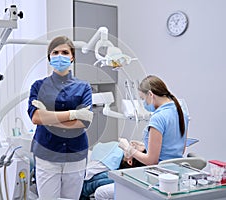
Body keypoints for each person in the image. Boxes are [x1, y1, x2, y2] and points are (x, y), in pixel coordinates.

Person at [94, 75, 189, 200]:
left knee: (101, 192)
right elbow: (178, 149)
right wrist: (144, 145)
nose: (144, 103)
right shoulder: (181, 111)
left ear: (150, 94)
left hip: (158, 178)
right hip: (176, 174)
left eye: (142, 99)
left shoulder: (158, 118)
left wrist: (129, 149)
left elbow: (152, 161)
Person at [27, 35, 93, 200]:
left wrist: (48, 117)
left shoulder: (84, 87)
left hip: (75, 154)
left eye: (64, 52)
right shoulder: (38, 86)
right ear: (49, 57)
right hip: (46, 154)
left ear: (72, 57)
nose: (60, 56)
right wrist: (73, 113)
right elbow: (36, 118)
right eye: (55, 52)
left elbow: (83, 122)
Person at [80, 141, 145, 200]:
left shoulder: (110, 173)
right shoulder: (117, 155)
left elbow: (87, 179)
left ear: (130, 161)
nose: (132, 144)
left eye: (134, 147)